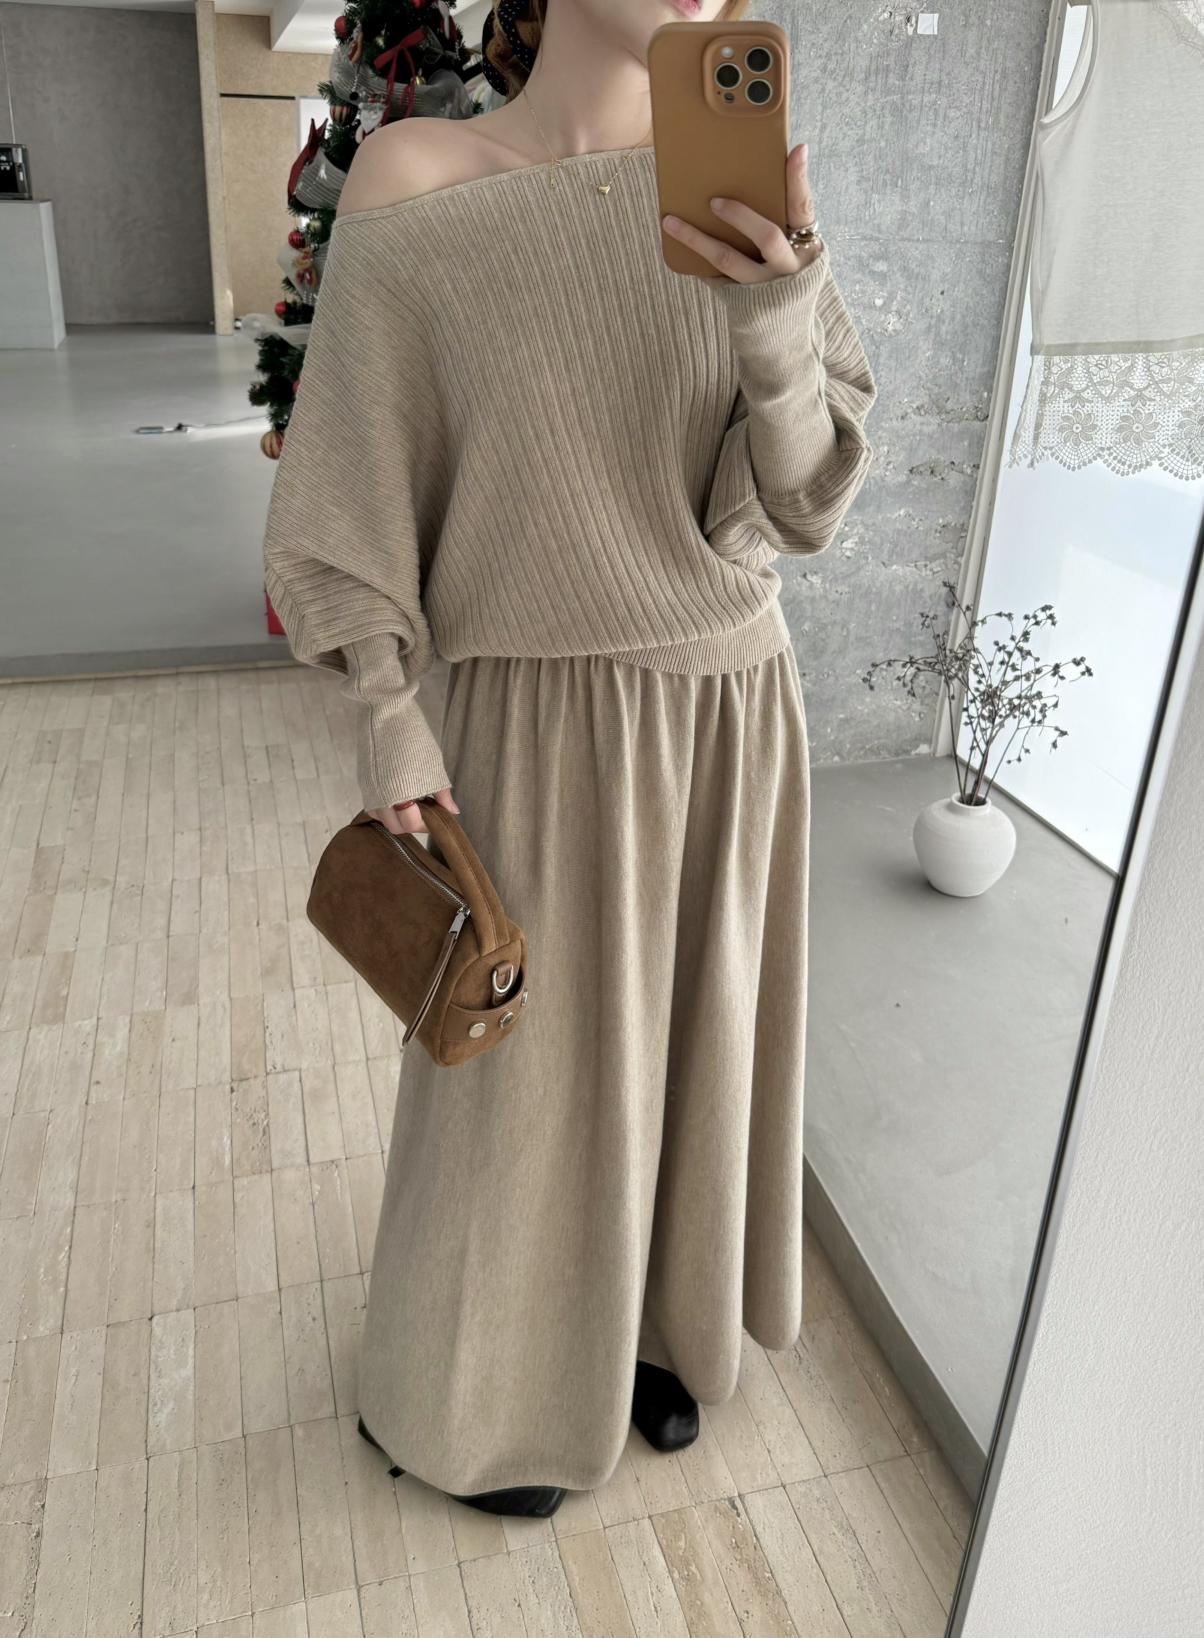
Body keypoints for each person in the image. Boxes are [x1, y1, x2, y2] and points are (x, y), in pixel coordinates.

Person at [262, 0, 877, 1519]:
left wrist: (778, 317)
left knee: (696, 1048)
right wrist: (385, 706)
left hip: (728, 702)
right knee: (517, 1091)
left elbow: (805, 505)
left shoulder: (739, 179)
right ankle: (485, 1391)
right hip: (529, 722)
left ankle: (656, 1338)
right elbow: (348, 484)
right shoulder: (416, 177)